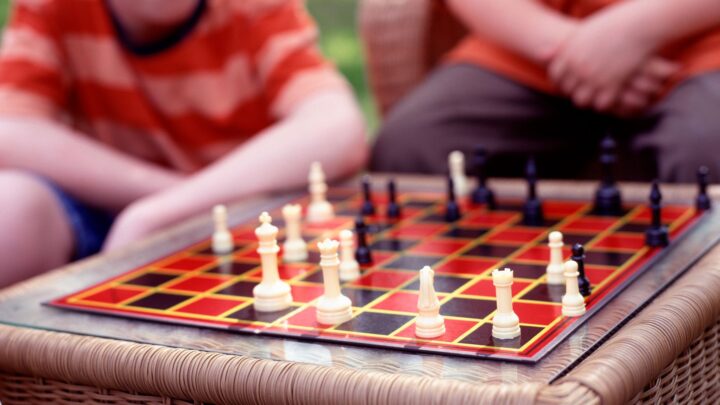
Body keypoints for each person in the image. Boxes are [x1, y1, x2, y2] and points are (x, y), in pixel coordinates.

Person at [0, 0, 366, 288]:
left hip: (239, 221)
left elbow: (339, 125)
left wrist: (161, 213)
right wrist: (164, 202)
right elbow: (10, 131)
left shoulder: (253, 8)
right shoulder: (53, 6)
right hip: (112, 209)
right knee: (9, 207)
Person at [371, 0, 720, 181]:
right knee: (412, 143)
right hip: (534, 45)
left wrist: (635, 32)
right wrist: (567, 46)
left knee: (707, 146)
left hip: (705, 43)